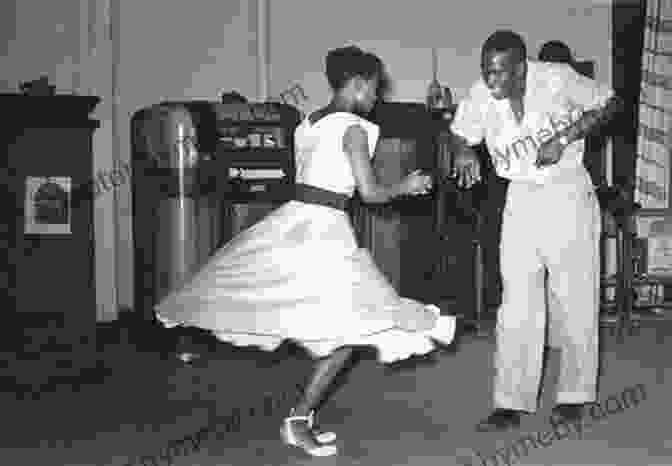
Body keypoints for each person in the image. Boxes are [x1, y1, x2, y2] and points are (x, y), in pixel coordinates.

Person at [155, 45, 457, 457]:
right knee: (355, 324)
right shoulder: (354, 127)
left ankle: (301, 418)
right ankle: (298, 420)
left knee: (341, 324)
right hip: (325, 232)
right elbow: (369, 194)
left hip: (296, 220)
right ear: (357, 84)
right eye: (374, 89)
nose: (377, 98)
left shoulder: (307, 123)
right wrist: (406, 187)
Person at [450, 30, 623, 432]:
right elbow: (460, 131)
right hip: (520, 197)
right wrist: (461, 149)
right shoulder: (481, 93)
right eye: (486, 71)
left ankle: (575, 395)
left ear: (521, 67)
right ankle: (511, 401)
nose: (491, 81)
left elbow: (611, 103)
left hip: (566, 191)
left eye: (499, 72)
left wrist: (566, 136)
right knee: (516, 301)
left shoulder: (558, 78)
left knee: (575, 295)